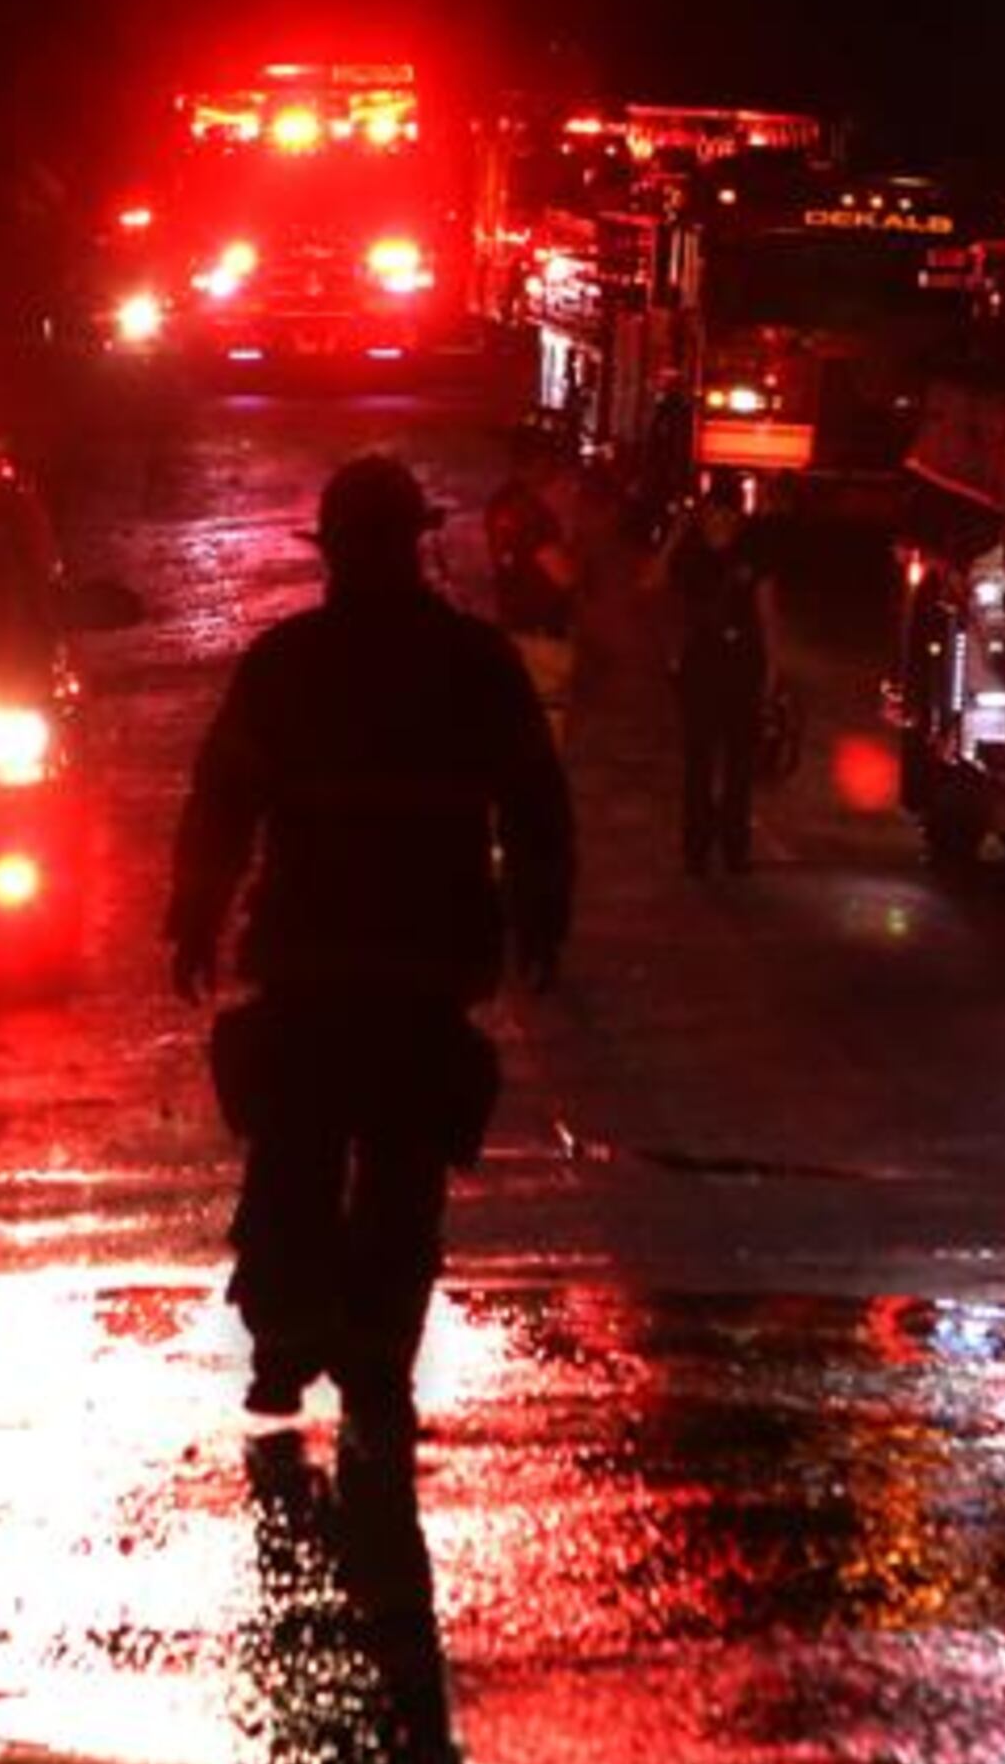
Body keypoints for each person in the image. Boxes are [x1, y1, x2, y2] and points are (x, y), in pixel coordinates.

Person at [169, 453, 575, 1434]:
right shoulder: (477, 665)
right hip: (423, 973)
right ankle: (375, 1362)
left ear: (334, 553)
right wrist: (542, 915)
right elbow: (536, 805)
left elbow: (221, 805)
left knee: (293, 1162)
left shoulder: (286, 665)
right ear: (414, 543)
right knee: (401, 1177)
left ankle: (284, 1346)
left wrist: (194, 920)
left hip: (309, 966)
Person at [664, 480, 774, 875]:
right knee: (699, 761)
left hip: (742, 664)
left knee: (739, 765)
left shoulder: (752, 554)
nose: (719, 522)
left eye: (726, 514)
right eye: (712, 513)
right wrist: (674, 537)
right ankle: (696, 848)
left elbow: (767, 613)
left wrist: (773, 669)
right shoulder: (691, 556)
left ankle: (733, 847)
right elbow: (653, 583)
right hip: (701, 666)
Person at [483, 459, 579, 749]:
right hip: (542, 637)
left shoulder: (499, 503)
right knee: (547, 722)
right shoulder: (534, 513)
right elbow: (562, 575)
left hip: (513, 626)